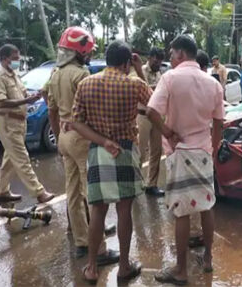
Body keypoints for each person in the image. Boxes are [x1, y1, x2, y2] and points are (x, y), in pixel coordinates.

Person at [72, 41, 151, 284]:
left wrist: (103, 141)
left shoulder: (86, 83)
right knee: (124, 210)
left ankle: (93, 267)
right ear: (127, 62)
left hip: (98, 151)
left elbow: (77, 122)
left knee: (98, 210)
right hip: (126, 150)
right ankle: (124, 267)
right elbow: (154, 103)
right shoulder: (135, 83)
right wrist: (140, 70)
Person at [149, 35, 224, 285]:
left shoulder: (169, 78)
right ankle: (209, 259)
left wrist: (168, 132)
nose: (170, 58)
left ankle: (181, 269)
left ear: (181, 54)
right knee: (206, 205)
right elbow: (219, 121)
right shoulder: (213, 83)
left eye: (171, 54)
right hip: (202, 152)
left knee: (181, 212)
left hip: (179, 152)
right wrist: (212, 149)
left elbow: (151, 111)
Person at [47, 27, 120, 263]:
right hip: (81, 137)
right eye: (87, 51)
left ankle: (81, 240)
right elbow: (93, 112)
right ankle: (98, 249)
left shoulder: (55, 74)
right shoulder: (82, 75)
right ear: (79, 51)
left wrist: (59, 137)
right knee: (93, 193)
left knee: (73, 191)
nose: (89, 55)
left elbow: (52, 111)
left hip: (65, 137)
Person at [0, 44, 54, 204]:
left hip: (19, 122)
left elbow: (23, 92)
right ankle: (39, 192)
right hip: (7, 121)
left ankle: (2, 191)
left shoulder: (15, 75)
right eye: (15, 58)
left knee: (10, 158)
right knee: (21, 157)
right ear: (4, 59)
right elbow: (1, 102)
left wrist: (33, 95)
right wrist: (26, 100)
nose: (17, 61)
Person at [138, 47, 165, 197]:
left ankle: (151, 184)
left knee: (156, 151)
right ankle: (135, 183)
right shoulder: (140, 70)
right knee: (140, 152)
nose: (158, 64)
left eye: (160, 61)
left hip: (156, 115)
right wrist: (156, 89)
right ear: (149, 58)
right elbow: (142, 90)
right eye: (156, 60)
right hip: (142, 116)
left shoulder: (160, 74)